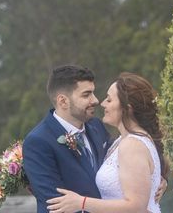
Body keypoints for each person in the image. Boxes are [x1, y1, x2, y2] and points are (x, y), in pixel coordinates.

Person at [46, 72, 168, 213]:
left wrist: (82, 202)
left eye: (109, 100)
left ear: (127, 108)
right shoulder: (121, 140)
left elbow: (136, 207)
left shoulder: (132, 145)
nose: (102, 103)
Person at [23, 65, 111, 213]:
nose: (95, 100)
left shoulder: (96, 126)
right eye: (86, 95)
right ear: (63, 101)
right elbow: (56, 205)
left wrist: (162, 178)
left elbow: (123, 160)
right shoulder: (38, 142)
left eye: (93, 93)